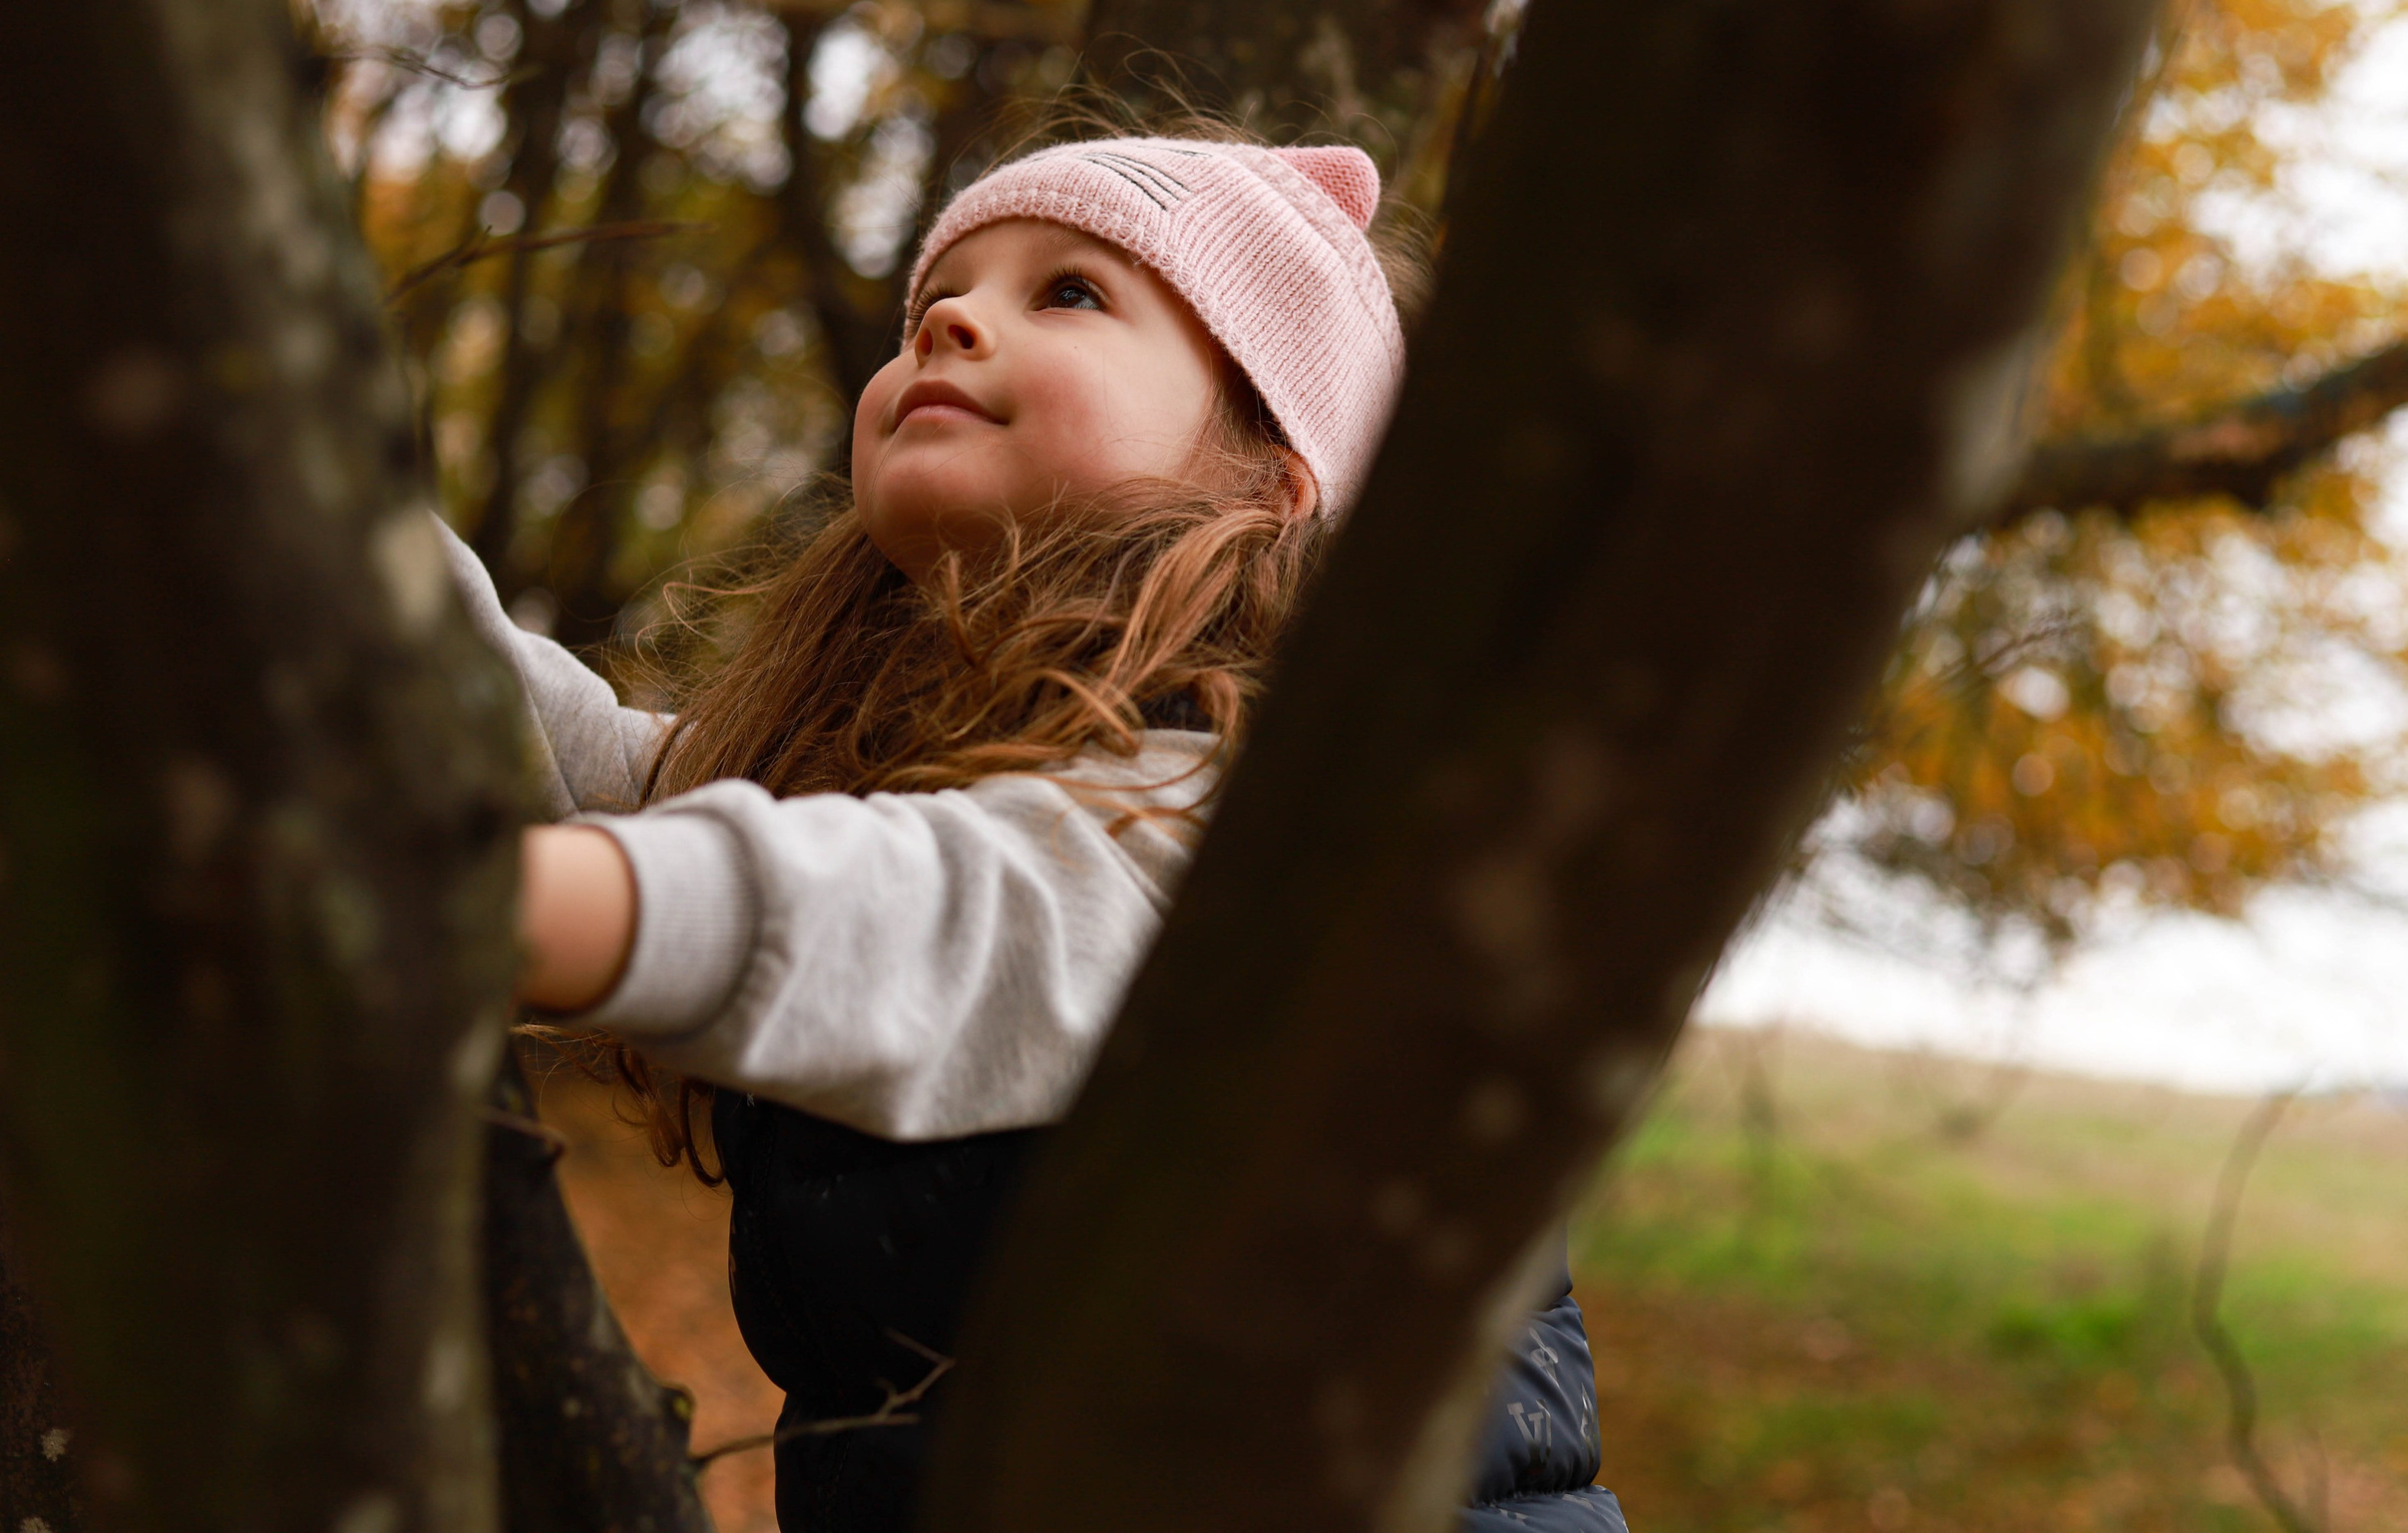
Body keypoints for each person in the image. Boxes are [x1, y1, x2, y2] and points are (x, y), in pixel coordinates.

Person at [446, 132, 1629, 1532]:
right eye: (940, 293)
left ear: (1274, 474)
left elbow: (924, 917)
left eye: (1067, 292)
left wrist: (479, 906)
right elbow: (599, 774)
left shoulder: (1277, 831)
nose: (950, 319)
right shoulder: (907, 782)